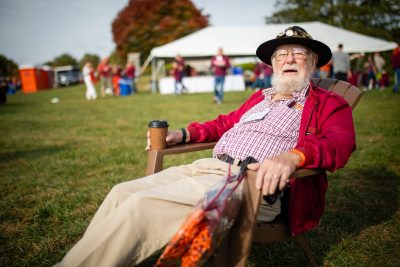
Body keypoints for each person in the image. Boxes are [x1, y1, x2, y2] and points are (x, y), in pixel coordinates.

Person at [55, 26, 356, 267]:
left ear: (313, 61)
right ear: (273, 65)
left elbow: (339, 143)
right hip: (209, 167)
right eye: (280, 56)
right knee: (121, 192)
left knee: (140, 207)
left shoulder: (329, 103)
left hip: (251, 183)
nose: (288, 60)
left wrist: (293, 157)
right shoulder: (262, 96)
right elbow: (225, 123)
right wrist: (182, 134)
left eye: (298, 54)